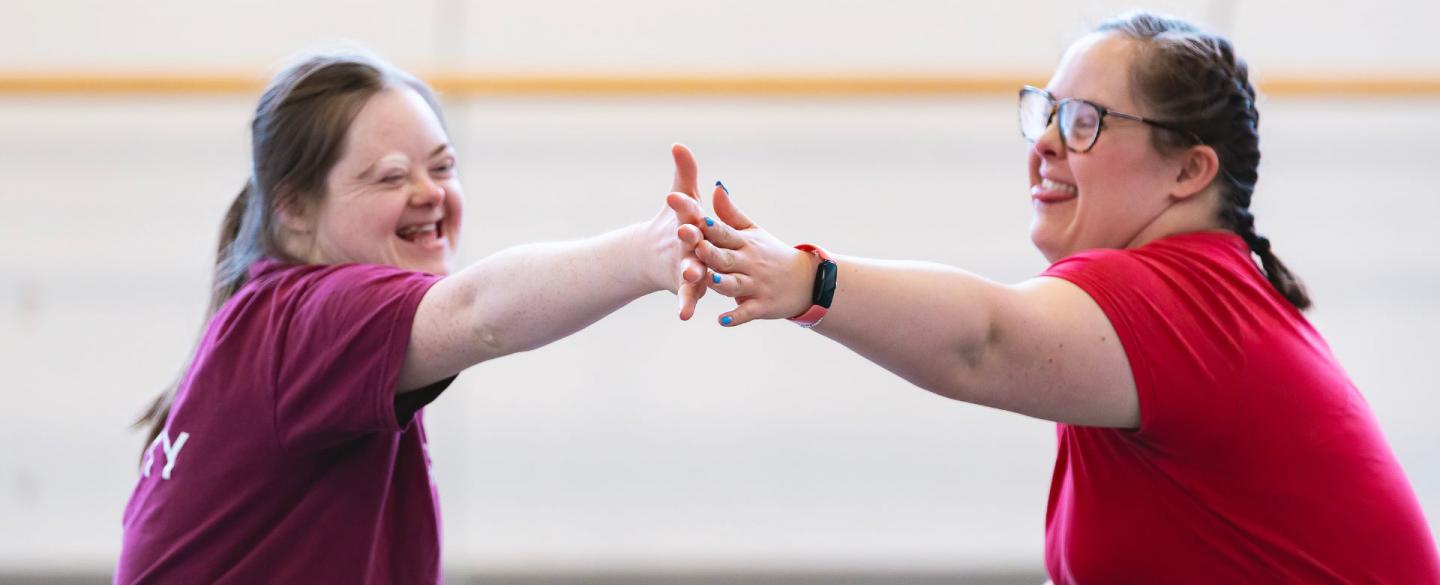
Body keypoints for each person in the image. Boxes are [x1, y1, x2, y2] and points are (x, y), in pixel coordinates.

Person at [669, 11, 1440, 583]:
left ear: (1188, 172)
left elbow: (986, 342)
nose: (1043, 142)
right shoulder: (1199, 296)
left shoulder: (1181, 298)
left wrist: (809, 279)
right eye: (1046, 112)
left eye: (1084, 122)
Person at [116, 53, 709, 584]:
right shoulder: (311, 319)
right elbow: (480, 314)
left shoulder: (271, 321)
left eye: (443, 167)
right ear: (294, 209)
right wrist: (643, 254)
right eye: (391, 177)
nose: (430, 193)